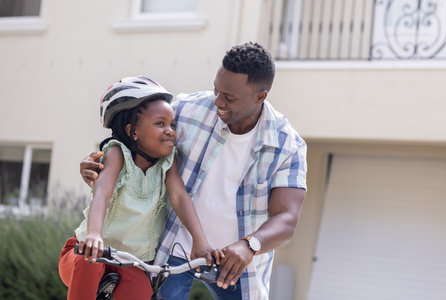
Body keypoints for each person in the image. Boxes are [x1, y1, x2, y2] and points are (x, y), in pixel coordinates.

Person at [80, 42, 307, 300]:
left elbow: (287, 219)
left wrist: (250, 245)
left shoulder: (287, 144)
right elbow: (136, 139)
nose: (218, 101)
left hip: (238, 263)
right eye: (216, 90)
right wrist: (97, 160)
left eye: (229, 97)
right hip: (176, 249)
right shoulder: (187, 109)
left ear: (260, 96)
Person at [59, 76, 216, 300]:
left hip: (130, 262)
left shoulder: (168, 162)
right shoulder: (116, 154)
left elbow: (180, 197)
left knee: (142, 291)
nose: (170, 131)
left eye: (172, 124)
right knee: (91, 261)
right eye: (160, 124)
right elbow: (102, 194)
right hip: (85, 252)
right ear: (133, 131)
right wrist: (94, 234)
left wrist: (200, 242)